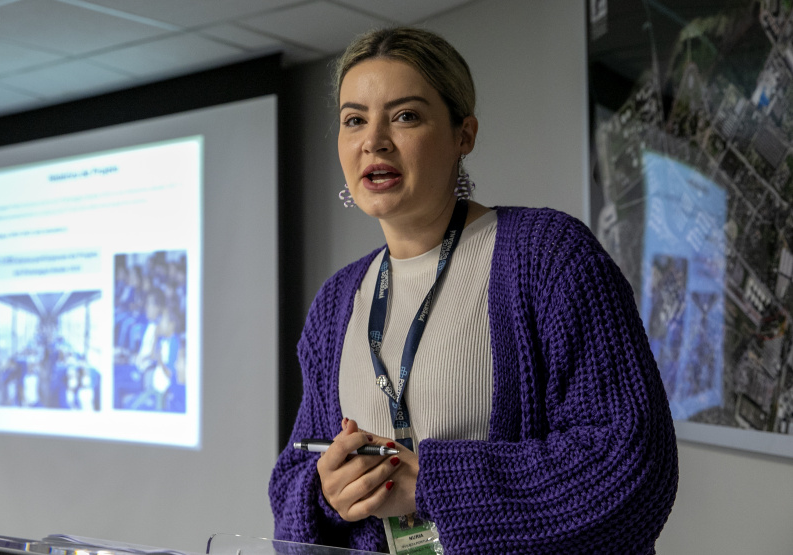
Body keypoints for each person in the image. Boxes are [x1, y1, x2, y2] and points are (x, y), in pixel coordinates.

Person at [268, 27, 678, 554]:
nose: (374, 141)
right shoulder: (335, 303)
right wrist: (326, 494)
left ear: (464, 134)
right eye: (354, 120)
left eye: (405, 115)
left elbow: (631, 465)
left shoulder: (549, 256)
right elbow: (292, 483)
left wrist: (433, 485)